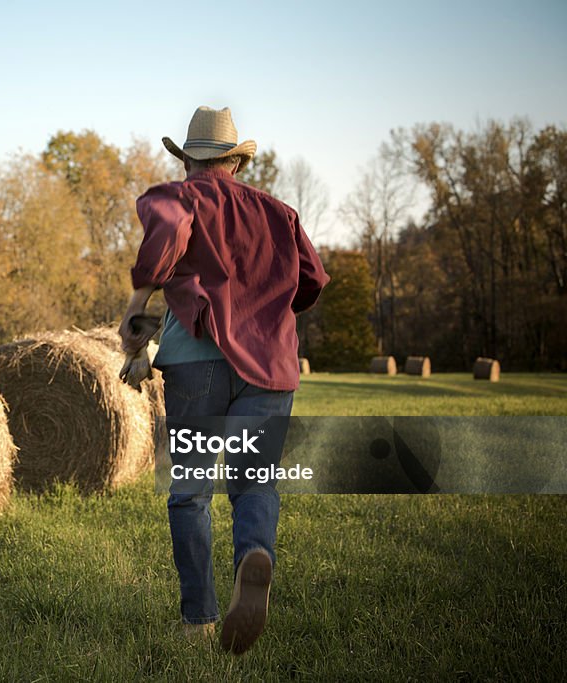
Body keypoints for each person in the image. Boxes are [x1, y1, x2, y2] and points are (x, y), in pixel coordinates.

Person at [119, 106, 330, 654]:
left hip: (196, 360)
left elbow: (159, 257)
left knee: (189, 493)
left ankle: (199, 621)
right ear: (235, 162)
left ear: (188, 158)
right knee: (254, 480)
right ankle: (252, 559)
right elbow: (311, 282)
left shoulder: (179, 198)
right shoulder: (278, 212)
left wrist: (136, 328)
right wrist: (266, 310)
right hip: (271, 363)